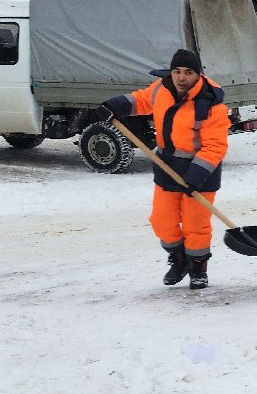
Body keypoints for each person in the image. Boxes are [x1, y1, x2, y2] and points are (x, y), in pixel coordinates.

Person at [90, 49, 229, 289]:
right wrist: (116, 106)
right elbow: (141, 100)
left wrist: (195, 175)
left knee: (196, 224)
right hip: (167, 166)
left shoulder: (210, 104)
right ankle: (179, 259)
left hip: (201, 172)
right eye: (177, 71)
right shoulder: (161, 89)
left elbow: (215, 146)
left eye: (188, 72)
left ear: (198, 75)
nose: (181, 77)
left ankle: (198, 267)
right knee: (163, 220)